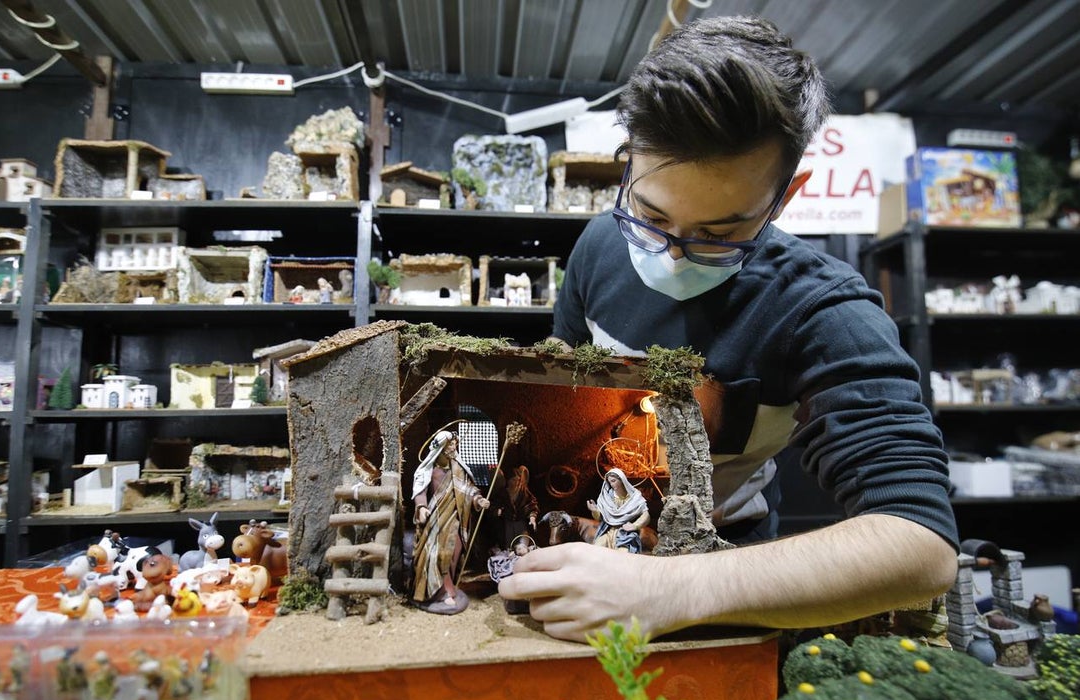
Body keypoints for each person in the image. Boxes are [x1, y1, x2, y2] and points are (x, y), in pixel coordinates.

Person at [498, 15, 959, 643]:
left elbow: (920, 547)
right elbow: (562, 408)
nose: (675, 254)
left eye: (718, 235)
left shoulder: (824, 310)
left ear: (784, 196)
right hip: (594, 541)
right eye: (651, 214)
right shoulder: (598, 248)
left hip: (733, 574)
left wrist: (669, 590)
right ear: (628, 157)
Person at [410, 429, 491, 614]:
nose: (454, 446)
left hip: (456, 517)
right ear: (442, 447)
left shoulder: (458, 468)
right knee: (438, 554)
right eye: (450, 444)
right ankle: (440, 592)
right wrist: (421, 507)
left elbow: (468, 489)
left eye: (455, 443)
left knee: (454, 552)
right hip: (437, 518)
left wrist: (478, 500)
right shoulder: (429, 469)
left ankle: (450, 587)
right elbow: (419, 490)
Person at [587, 468, 650, 553]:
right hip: (609, 532)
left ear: (621, 480)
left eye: (613, 481)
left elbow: (646, 515)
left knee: (623, 553)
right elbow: (600, 518)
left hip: (625, 534)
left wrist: (635, 526)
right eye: (609, 482)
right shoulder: (607, 497)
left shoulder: (634, 497)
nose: (611, 484)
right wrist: (595, 510)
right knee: (597, 548)